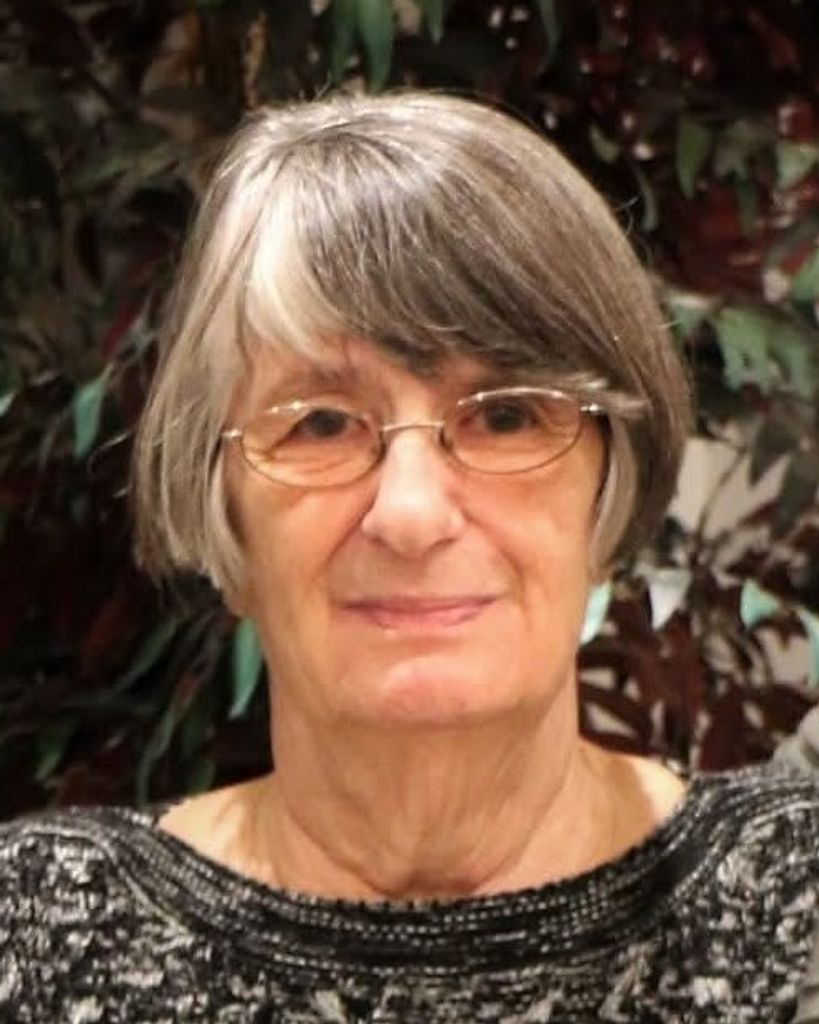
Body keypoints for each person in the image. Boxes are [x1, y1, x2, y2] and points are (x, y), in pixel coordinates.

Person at [1, 90, 818, 1023]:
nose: (411, 513)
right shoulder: (34, 938)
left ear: (610, 486)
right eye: (320, 424)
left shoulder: (795, 907)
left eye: (505, 415)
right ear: (221, 509)